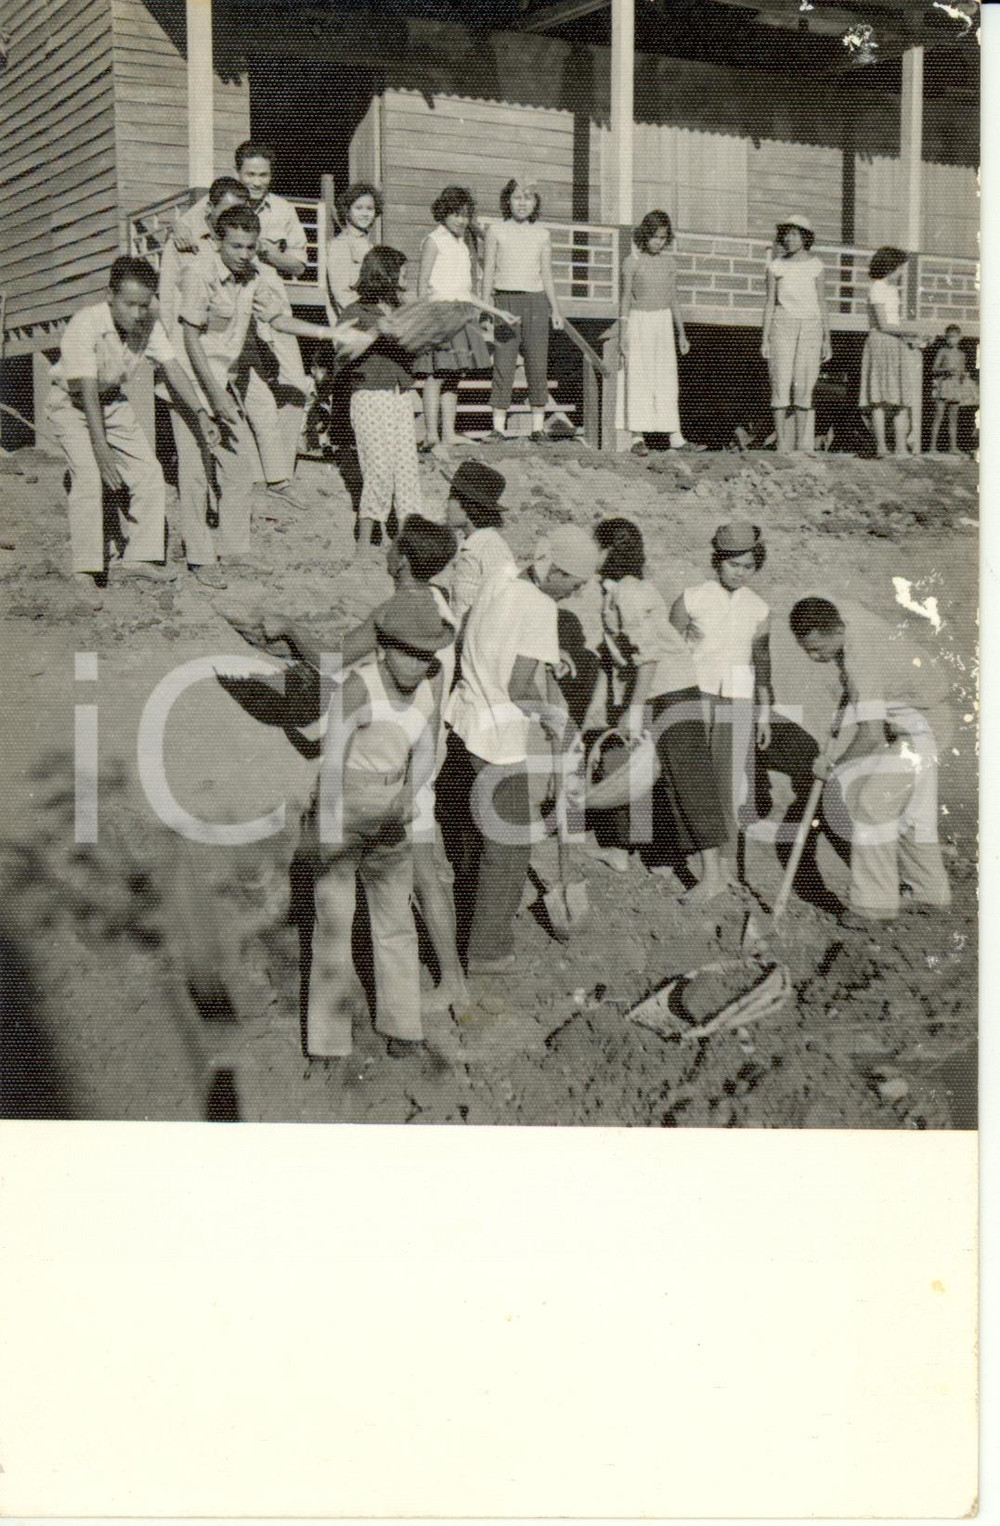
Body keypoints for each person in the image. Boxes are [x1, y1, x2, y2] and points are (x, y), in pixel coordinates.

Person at [271, 516, 468, 1016]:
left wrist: (290, 628)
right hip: (424, 750)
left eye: (391, 546)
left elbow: (331, 658)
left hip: (396, 763)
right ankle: (450, 983)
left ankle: (446, 986)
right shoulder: (439, 609)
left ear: (401, 559)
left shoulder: (394, 611)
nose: (386, 552)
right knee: (422, 875)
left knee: (405, 878)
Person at [301, 585, 454, 1059]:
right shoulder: (358, 688)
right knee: (334, 919)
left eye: (425, 655)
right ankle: (328, 1039)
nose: (416, 664)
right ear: (383, 650)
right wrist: (329, 828)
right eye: (406, 654)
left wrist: (409, 796)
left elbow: (427, 751)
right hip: (347, 803)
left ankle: (403, 1023)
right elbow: (332, 761)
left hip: (395, 806)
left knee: (394, 918)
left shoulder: (428, 688)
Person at [438, 523, 599, 971]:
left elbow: (488, 635)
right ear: (559, 572)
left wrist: (551, 655)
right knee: (510, 847)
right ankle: (487, 950)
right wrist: (554, 719)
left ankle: (467, 908)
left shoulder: (503, 575)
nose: (577, 592)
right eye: (576, 583)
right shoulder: (541, 607)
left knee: (475, 828)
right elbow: (518, 684)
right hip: (497, 737)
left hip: (464, 718)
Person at [174, 206, 341, 587]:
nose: (244, 254)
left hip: (221, 382)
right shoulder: (200, 273)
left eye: (250, 247)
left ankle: (234, 552)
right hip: (188, 383)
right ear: (218, 242)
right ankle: (200, 559)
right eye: (236, 246)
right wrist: (214, 397)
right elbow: (189, 340)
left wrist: (327, 335)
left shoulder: (254, 276)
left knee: (238, 469)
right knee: (197, 472)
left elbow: (277, 319)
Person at [45, 256, 218, 607]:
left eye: (144, 304)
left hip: (112, 401)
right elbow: (87, 389)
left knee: (149, 473)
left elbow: (172, 367)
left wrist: (199, 410)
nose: (138, 313)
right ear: (110, 295)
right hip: (72, 403)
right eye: (130, 304)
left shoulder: (149, 324)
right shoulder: (86, 323)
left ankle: (138, 557)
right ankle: (85, 570)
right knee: (90, 473)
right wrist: (101, 447)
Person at [789, 596, 953, 929]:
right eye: (806, 649)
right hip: (918, 716)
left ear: (836, 629)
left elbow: (870, 736)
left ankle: (874, 906)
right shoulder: (847, 615)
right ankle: (929, 892)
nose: (813, 656)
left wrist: (834, 767)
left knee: (871, 804)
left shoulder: (861, 663)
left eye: (818, 649)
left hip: (922, 726)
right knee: (908, 809)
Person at [594, 519, 732, 901]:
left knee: (689, 779)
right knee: (631, 765)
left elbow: (649, 658)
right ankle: (626, 850)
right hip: (651, 689)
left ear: (608, 552)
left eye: (595, 546)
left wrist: (634, 709)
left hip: (670, 690)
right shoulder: (618, 590)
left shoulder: (630, 594)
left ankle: (713, 874)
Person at [175, 141, 311, 488]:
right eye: (250, 173)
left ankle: (277, 473)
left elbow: (298, 264)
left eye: (263, 174)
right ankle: (253, 474)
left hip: (268, 307)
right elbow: (187, 229)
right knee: (244, 391)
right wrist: (174, 229)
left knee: (294, 383)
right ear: (238, 173)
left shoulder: (282, 210)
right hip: (225, 314)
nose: (256, 181)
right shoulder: (222, 201)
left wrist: (266, 254)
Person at [670, 522, 772, 877]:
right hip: (694, 696)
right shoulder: (691, 597)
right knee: (689, 778)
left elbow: (762, 662)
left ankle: (725, 862)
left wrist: (763, 713)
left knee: (728, 784)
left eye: (748, 567)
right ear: (717, 562)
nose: (740, 573)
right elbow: (670, 652)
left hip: (738, 701)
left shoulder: (759, 608)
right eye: (733, 565)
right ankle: (677, 855)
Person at [338, 245, 425, 559]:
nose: (405, 276)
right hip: (370, 396)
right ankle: (363, 547)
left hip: (401, 395)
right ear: (385, 274)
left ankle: (404, 546)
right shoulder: (356, 312)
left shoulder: (402, 309)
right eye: (401, 271)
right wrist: (376, 331)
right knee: (378, 469)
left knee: (406, 470)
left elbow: (415, 350)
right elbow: (342, 351)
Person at [482, 175, 563, 441]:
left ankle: (538, 427)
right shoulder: (496, 231)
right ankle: (498, 427)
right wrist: (486, 308)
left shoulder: (542, 234)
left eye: (528, 198)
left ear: (535, 202)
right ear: (507, 200)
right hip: (505, 302)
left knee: (537, 363)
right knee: (504, 363)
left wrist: (556, 310)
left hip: (537, 302)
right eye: (517, 197)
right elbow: (489, 271)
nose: (522, 203)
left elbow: (548, 274)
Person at [415, 185, 491, 457]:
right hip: (440, 313)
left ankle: (448, 432)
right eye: (455, 214)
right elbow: (422, 283)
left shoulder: (462, 243)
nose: (461, 220)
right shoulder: (434, 240)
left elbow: (466, 286)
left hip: (462, 313)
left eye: (465, 215)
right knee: (436, 375)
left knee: (453, 374)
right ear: (443, 213)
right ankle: (431, 434)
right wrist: (424, 319)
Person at [617, 210, 693, 456]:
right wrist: (623, 329)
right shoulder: (632, 261)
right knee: (639, 377)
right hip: (639, 322)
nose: (658, 242)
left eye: (662, 237)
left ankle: (675, 435)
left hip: (663, 323)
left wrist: (681, 333)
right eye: (654, 237)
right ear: (644, 236)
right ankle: (637, 437)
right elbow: (626, 296)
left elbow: (673, 299)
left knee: (666, 378)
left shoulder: (670, 263)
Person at [760, 215, 832, 454]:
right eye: (786, 234)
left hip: (811, 327)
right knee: (780, 382)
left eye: (795, 234)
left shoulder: (816, 266)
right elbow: (770, 303)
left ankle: (802, 444)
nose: (789, 239)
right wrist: (765, 338)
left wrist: (826, 339)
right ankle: (782, 444)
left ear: (805, 237)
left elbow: (822, 303)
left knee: (804, 384)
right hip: (782, 325)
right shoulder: (776, 266)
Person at [858, 245, 925, 458]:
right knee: (879, 398)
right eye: (898, 269)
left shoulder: (891, 290)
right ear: (889, 267)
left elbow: (894, 323)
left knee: (901, 399)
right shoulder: (877, 287)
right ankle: (881, 447)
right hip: (881, 343)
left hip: (895, 343)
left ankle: (900, 448)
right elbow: (884, 325)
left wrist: (911, 337)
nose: (901, 273)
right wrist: (911, 330)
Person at [444, 460, 515, 624]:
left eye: (451, 498)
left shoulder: (492, 547)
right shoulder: (470, 543)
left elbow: (504, 605)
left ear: (468, 507)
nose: (446, 505)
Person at [326, 181, 383, 316]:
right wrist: (368, 317)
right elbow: (341, 294)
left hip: (373, 314)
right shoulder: (341, 244)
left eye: (370, 209)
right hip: (354, 319)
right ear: (347, 210)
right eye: (359, 208)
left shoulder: (370, 246)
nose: (365, 214)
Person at [931, 324, 978, 455]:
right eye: (949, 337)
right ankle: (932, 447)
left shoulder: (961, 354)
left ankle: (953, 446)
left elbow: (962, 370)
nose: (952, 340)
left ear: (960, 337)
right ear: (946, 338)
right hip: (944, 384)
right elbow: (934, 368)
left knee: (953, 417)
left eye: (955, 337)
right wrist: (946, 370)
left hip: (956, 386)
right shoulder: (943, 351)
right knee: (939, 415)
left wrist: (964, 374)